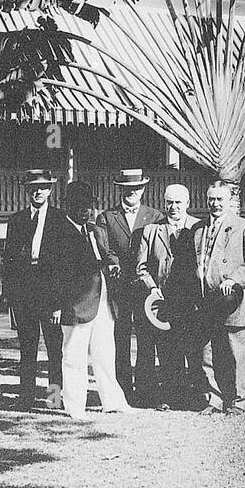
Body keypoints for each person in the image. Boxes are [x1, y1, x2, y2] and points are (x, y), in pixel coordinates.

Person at [55, 181, 139, 420]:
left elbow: (105, 255)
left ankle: (112, 401)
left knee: (105, 353)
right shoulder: (58, 233)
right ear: (68, 206)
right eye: (79, 206)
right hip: (76, 304)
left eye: (88, 206)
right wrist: (56, 306)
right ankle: (75, 406)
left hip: (103, 301)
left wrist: (111, 265)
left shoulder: (94, 230)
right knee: (74, 356)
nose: (85, 210)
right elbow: (54, 274)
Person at [187, 181, 245, 415]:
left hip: (232, 302)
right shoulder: (198, 229)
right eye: (211, 199)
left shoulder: (244, 226)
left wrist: (233, 280)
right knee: (208, 353)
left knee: (236, 354)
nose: (215, 204)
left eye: (220, 199)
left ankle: (238, 402)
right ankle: (214, 399)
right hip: (206, 302)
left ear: (229, 201)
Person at [2, 168, 68, 409]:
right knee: (27, 349)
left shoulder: (60, 219)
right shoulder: (17, 220)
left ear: (50, 190)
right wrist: (10, 298)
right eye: (33, 188)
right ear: (27, 191)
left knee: (54, 350)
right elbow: (9, 260)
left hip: (50, 295)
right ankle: (26, 398)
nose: (38, 191)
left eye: (43, 187)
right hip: (24, 295)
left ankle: (54, 399)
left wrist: (59, 302)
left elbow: (63, 264)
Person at [96, 168, 161, 406]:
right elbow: (105, 248)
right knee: (120, 338)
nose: (131, 193)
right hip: (119, 286)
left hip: (144, 286)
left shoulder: (155, 216)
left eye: (136, 188)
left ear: (143, 189)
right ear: (120, 190)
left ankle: (145, 391)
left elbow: (157, 249)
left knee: (146, 338)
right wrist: (114, 264)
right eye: (126, 189)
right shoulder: (106, 217)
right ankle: (122, 391)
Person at [135, 183, 201, 409]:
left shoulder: (199, 228)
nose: (174, 207)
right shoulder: (151, 230)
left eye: (178, 202)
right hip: (163, 301)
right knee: (167, 349)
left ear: (188, 203)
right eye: (169, 202)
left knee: (194, 349)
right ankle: (172, 396)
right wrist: (152, 288)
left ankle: (198, 397)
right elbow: (141, 267)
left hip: (191, 302)